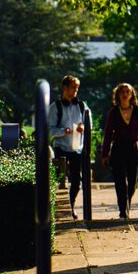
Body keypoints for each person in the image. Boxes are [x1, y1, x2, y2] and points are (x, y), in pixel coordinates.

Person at [100, 83, 138, 220]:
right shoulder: (113, 112)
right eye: (122, 92)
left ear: (132, 94)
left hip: (133, 148)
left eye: (127, 91)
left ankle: (126, 204)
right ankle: (123, 211)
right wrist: (104, 154)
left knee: (133, 182)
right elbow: (108, 134)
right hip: (118, 149)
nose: (125, 94)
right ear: (118, 95)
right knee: (120, 182)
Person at [49, 75, 88, 220]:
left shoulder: (82, 106)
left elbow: (86, 123)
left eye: (77, 88)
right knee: (59, 179)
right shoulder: (55, 107)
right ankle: (58, 207)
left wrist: (82, 127)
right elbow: (50, 130)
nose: (76, 90)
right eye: (73, 87)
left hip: (77, 148)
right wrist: (63, 131)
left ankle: (71, 205)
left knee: (77, 181)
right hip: (61, 147)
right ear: (65, 88)